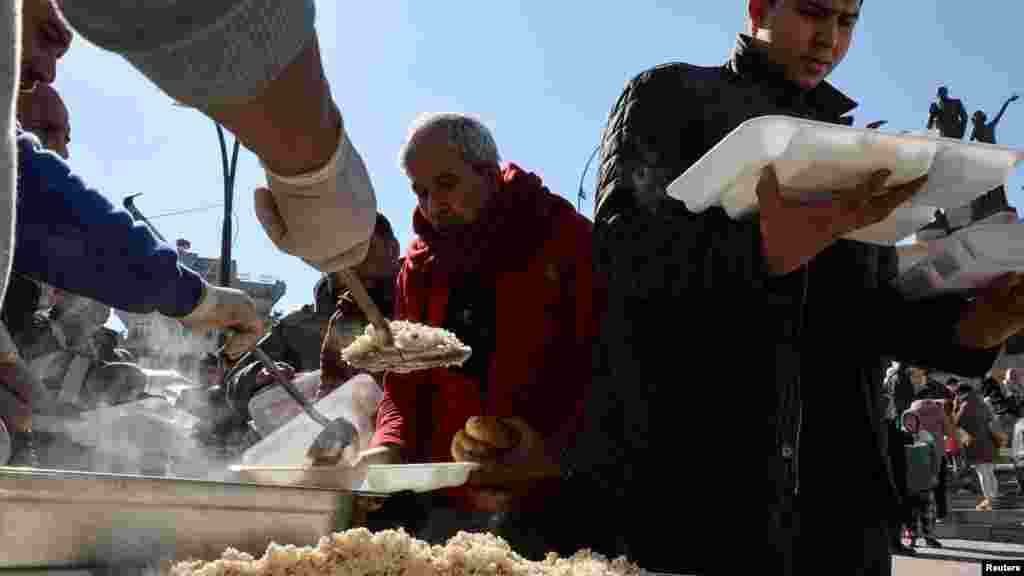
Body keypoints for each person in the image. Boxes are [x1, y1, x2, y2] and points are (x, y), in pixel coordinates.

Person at [511, 1, 1023, 573]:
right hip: (709, 502)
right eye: (812, 13)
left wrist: (980, 327)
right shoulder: (672, 96)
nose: (829, 37)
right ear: (759, 6)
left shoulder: (854, 150)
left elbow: (868, 316)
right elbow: (622, 259)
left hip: (843, 515)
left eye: (848, 21)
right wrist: (761, 251)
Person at [365, 113, 601, 560]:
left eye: (447, 183)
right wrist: (387, 447)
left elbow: (603, 370)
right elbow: (403, 384)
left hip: (548, 507)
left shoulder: (564, 239)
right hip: (440, 509)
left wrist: (548, 455)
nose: (433, 205)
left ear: (489, 175)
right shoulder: (417, 271)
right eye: (420, 191)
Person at [955, 383, 999, 511]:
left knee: (983, 473)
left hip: (976, 444)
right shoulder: (982, 403)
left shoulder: (965, 405)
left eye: (957, 394)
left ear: (961, 393)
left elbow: (956, 423)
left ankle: (989, 500)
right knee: (989, 472)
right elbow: (991, 421)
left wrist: (956, 407)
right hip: (989, 442)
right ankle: (994, 497)